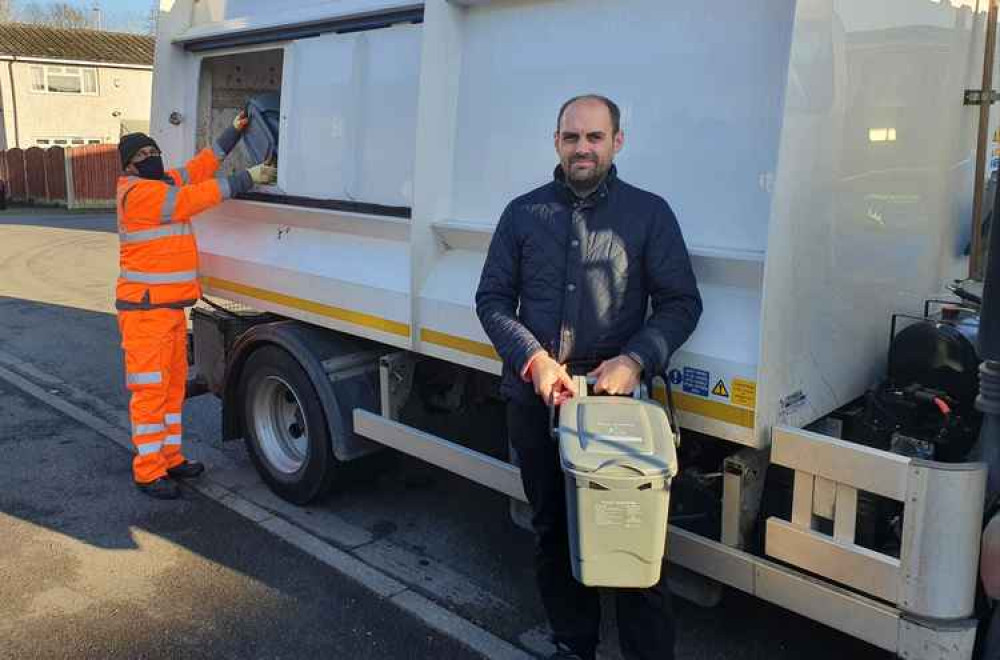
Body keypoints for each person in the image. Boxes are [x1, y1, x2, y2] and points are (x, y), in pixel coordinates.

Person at [475, 95, 702, 660]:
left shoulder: (650, 214)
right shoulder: (522, 214)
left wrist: (634, 360)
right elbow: (493, 299)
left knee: (633, 538)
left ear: (616, 142)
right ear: (556, 142)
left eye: (594, 137)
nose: (583, 148)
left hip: (616, 412)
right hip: (539, 404)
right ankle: (573, 644)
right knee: (553, 532)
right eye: (572, 137)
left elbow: (681, 303)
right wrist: (534, 360)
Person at [116, 114, 276, 500]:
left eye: (154, 150)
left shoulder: (162, 181)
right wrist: (249, 178)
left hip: (167, 312)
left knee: (171, 391)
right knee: (151, 394)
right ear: (128, 165)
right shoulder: (139, 194)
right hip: (145, 315)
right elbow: (195, 197)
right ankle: (148, 470)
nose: (152, 156)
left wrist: (234, 131)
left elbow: (200, 167)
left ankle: (170, 458)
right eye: (143, 153)